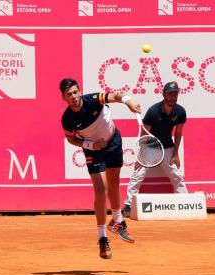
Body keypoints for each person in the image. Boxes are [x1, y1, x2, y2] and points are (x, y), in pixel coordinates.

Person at [59, 78, 140, 259]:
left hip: (113, 140)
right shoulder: (67, 119)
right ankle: (102, 238)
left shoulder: (94, 99)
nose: (72, 97)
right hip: (93, 150)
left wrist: (129, 103)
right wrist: (90, 144)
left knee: (114, 182)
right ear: (64, 98)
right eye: (68, 95)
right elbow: (71, 139)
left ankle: (117, 221)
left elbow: (117, 96)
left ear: (79, 91)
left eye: (74, 92)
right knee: (101, 189)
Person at [122, 81, 188, 217]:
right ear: (164, 94)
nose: (172, 97)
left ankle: (185, 203)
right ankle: (128, 205)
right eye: (170, 94)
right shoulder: (153, 111)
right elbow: (144, 133)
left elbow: (178, 133)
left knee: (177, 175)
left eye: (175, 94)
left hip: (168, 147)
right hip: (150, 147)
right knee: (138, 175)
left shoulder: (180, 111)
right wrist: (141, 155)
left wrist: (175, 153)